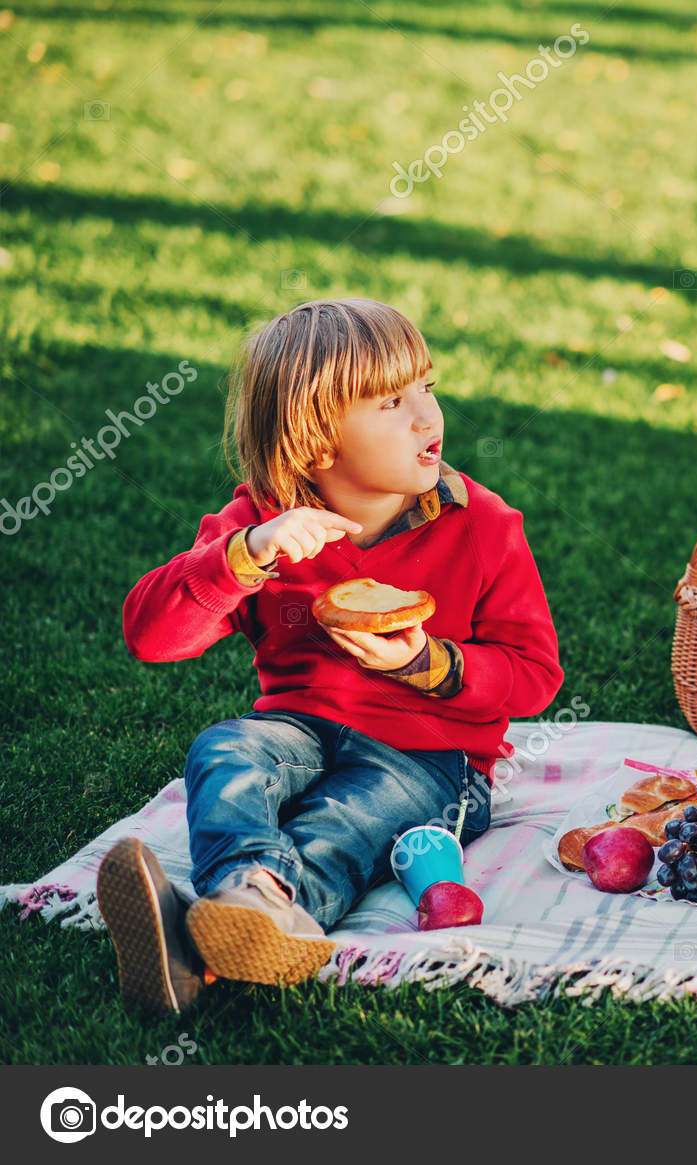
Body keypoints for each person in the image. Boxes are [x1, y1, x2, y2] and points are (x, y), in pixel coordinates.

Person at [98, 298, 563, 1013]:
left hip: (430, 760)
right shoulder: (261, 524)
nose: (427, 416)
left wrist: (428, 664)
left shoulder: (482, 523)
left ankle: (246, 918)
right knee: (226, 752)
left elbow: (534, 675)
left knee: (344, 820)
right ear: (315, 442)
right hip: (299, 729)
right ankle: (241, 906)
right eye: (392, 402)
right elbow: (150, 635)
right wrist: (242, 558)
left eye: (427, 387)